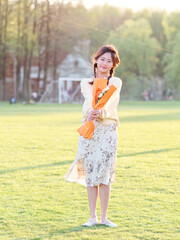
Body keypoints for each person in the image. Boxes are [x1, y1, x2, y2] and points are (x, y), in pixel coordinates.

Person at [64, 45, 122, 227]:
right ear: (96, 60)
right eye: (102, 59)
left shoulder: (116, 82)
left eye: (109, 61)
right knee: (91, 171)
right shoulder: (86, 83)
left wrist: (100, 112)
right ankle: (92, 217)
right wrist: (91, 112)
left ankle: (104, 217)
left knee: (105, 173)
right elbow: (90, 100)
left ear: (113, 65)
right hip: (90, 129)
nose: (105, 63)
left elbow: (110, 102)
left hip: (107, 129)